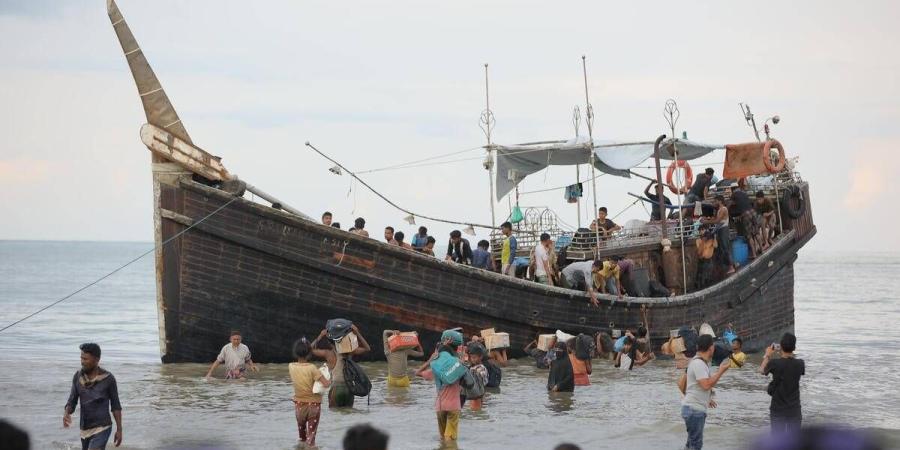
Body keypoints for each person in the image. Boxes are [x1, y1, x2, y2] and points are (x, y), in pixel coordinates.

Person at [64, 343, 123, 450]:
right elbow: (72, 401)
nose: (82, 362)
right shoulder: (78, 377)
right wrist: (67, 412)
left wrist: (119, 430)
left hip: (102, 427)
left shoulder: (108, 379)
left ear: (96, 360)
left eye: (86, 359)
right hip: (84, 429)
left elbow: (116, 406)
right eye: (81, 358)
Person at [681, 334, 730, 450]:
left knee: (690, 444)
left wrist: (707, 398)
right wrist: (721, 371)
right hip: (694, 410)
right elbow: (706, 385)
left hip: (692, 408)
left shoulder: (697, 362)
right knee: (696, 445)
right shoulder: (699, 364)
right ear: (711, 348)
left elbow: (693, 386)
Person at [316, 325, 371, 409]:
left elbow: (309, 349)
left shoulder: (333, 351)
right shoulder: (350, 351)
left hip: (336, 388)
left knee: (335, 415)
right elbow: (367, 348)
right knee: (349, 413)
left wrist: (321, 336)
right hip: (349, 388)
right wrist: (357, 333)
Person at [760, 332, 805, 433]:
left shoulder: (774, 363)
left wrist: (767, 355)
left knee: (778, 441)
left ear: (781, 346)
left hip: (778, 409)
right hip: (794, 409)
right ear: (794, 347)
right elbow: (792, 364)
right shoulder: (800, 363)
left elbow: (762, 370)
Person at [289, 338, 330, 447]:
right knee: (311, 441)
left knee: (302, 439)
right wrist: (329, 376)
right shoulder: (312, 368)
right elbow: (326, 384)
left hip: (299, 406)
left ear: (296, 352)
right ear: (309, 353)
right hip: (313, 406)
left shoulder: (291, 367)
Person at [430, 330, 464, 443]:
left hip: (439, 406)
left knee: (442, 438)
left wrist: (431, 359)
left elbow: (419, 373)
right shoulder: (458, 363)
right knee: (450, 439)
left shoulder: (435, 365)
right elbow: (470, 383)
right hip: (453, 406)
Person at [701, 195, 735, 274]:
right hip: (720, 230)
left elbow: (717, 220)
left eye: (716, 201)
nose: (715, 202)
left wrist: (706, 222)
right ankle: (732, 265)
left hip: (723, 230)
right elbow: (715, 219)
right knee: (723, 248)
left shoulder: (723, 209)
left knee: (725, 248)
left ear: (720, 201)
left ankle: (731, 267)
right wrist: (707, 219)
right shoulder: (719, 210)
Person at [465, 342, 489, 411]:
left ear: (480, 357)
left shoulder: (482, 368)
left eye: (474, 357)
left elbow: (481, 381)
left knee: (477, 409)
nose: (472, 359)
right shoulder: (472, 367)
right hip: (474, 393)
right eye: (471, 357)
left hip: (479, 394)